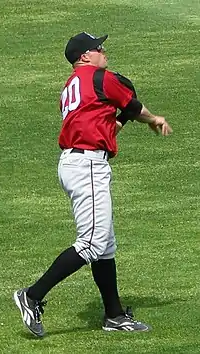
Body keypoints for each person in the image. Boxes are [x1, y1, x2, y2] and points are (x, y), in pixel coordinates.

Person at [14, 32, 172, 337]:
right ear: (84, 56)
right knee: (92, 243)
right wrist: (154, 118)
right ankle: (32, 296)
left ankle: (113, 314)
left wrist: (120, 123)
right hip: (86, 164)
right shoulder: (98, 77)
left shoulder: (72, 86)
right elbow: (133, 104)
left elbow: (103, 121)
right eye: (98, 48)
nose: (104, 51)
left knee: (105, 245)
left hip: (76, 161)